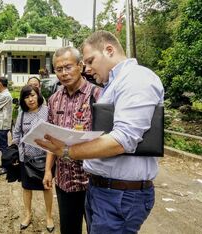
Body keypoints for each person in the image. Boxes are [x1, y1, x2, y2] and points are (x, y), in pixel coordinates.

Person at [35, 31, 164, 233]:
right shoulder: (111, 85)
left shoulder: (136, 79)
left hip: (119, 194)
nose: (88, 68)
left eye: (90, 61)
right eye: (58, 69)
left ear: (109, 50)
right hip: (100, 189)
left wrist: (67, 151)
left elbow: (122, 139)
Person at [42, 46, 101, 234]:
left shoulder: (98, 95)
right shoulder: (53, 100)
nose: (64, 73)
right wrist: (48, 171)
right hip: (64, 181)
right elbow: (51, 138)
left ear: (80, 66)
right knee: (68, 230)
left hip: (93, 181)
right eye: (59, 69)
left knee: (97, 229)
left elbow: (109, 137)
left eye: (68, 67)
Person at [12, 85, 54, 232]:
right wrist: (17, 148)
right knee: (26, 188)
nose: (30, 99)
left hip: (45, 157)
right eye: (26, 97)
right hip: (27, 158)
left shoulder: (47, 111)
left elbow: (53, 132)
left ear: (38, 95)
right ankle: (28, 215)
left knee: (46, 187)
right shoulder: (22, 113)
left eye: (33, 95)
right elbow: (16, 133)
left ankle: (49, 216)